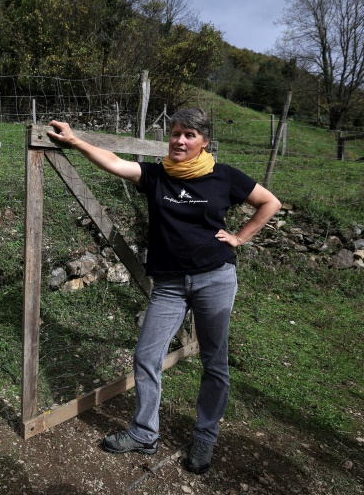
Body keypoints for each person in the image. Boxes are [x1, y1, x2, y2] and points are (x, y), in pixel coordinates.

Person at [47, 108, 281, 474]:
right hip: (170, 285)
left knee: (214, 362)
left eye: (189, 135)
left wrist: (239, 237)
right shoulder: (157, 175)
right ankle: (144, 433)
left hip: (214, 278)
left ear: (204, 141)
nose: (180, 140)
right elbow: (113, 162)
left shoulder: (225, 177)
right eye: (175, 133)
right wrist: (75, 141)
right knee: (146, 355)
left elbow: (270, 202)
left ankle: (205, 435)